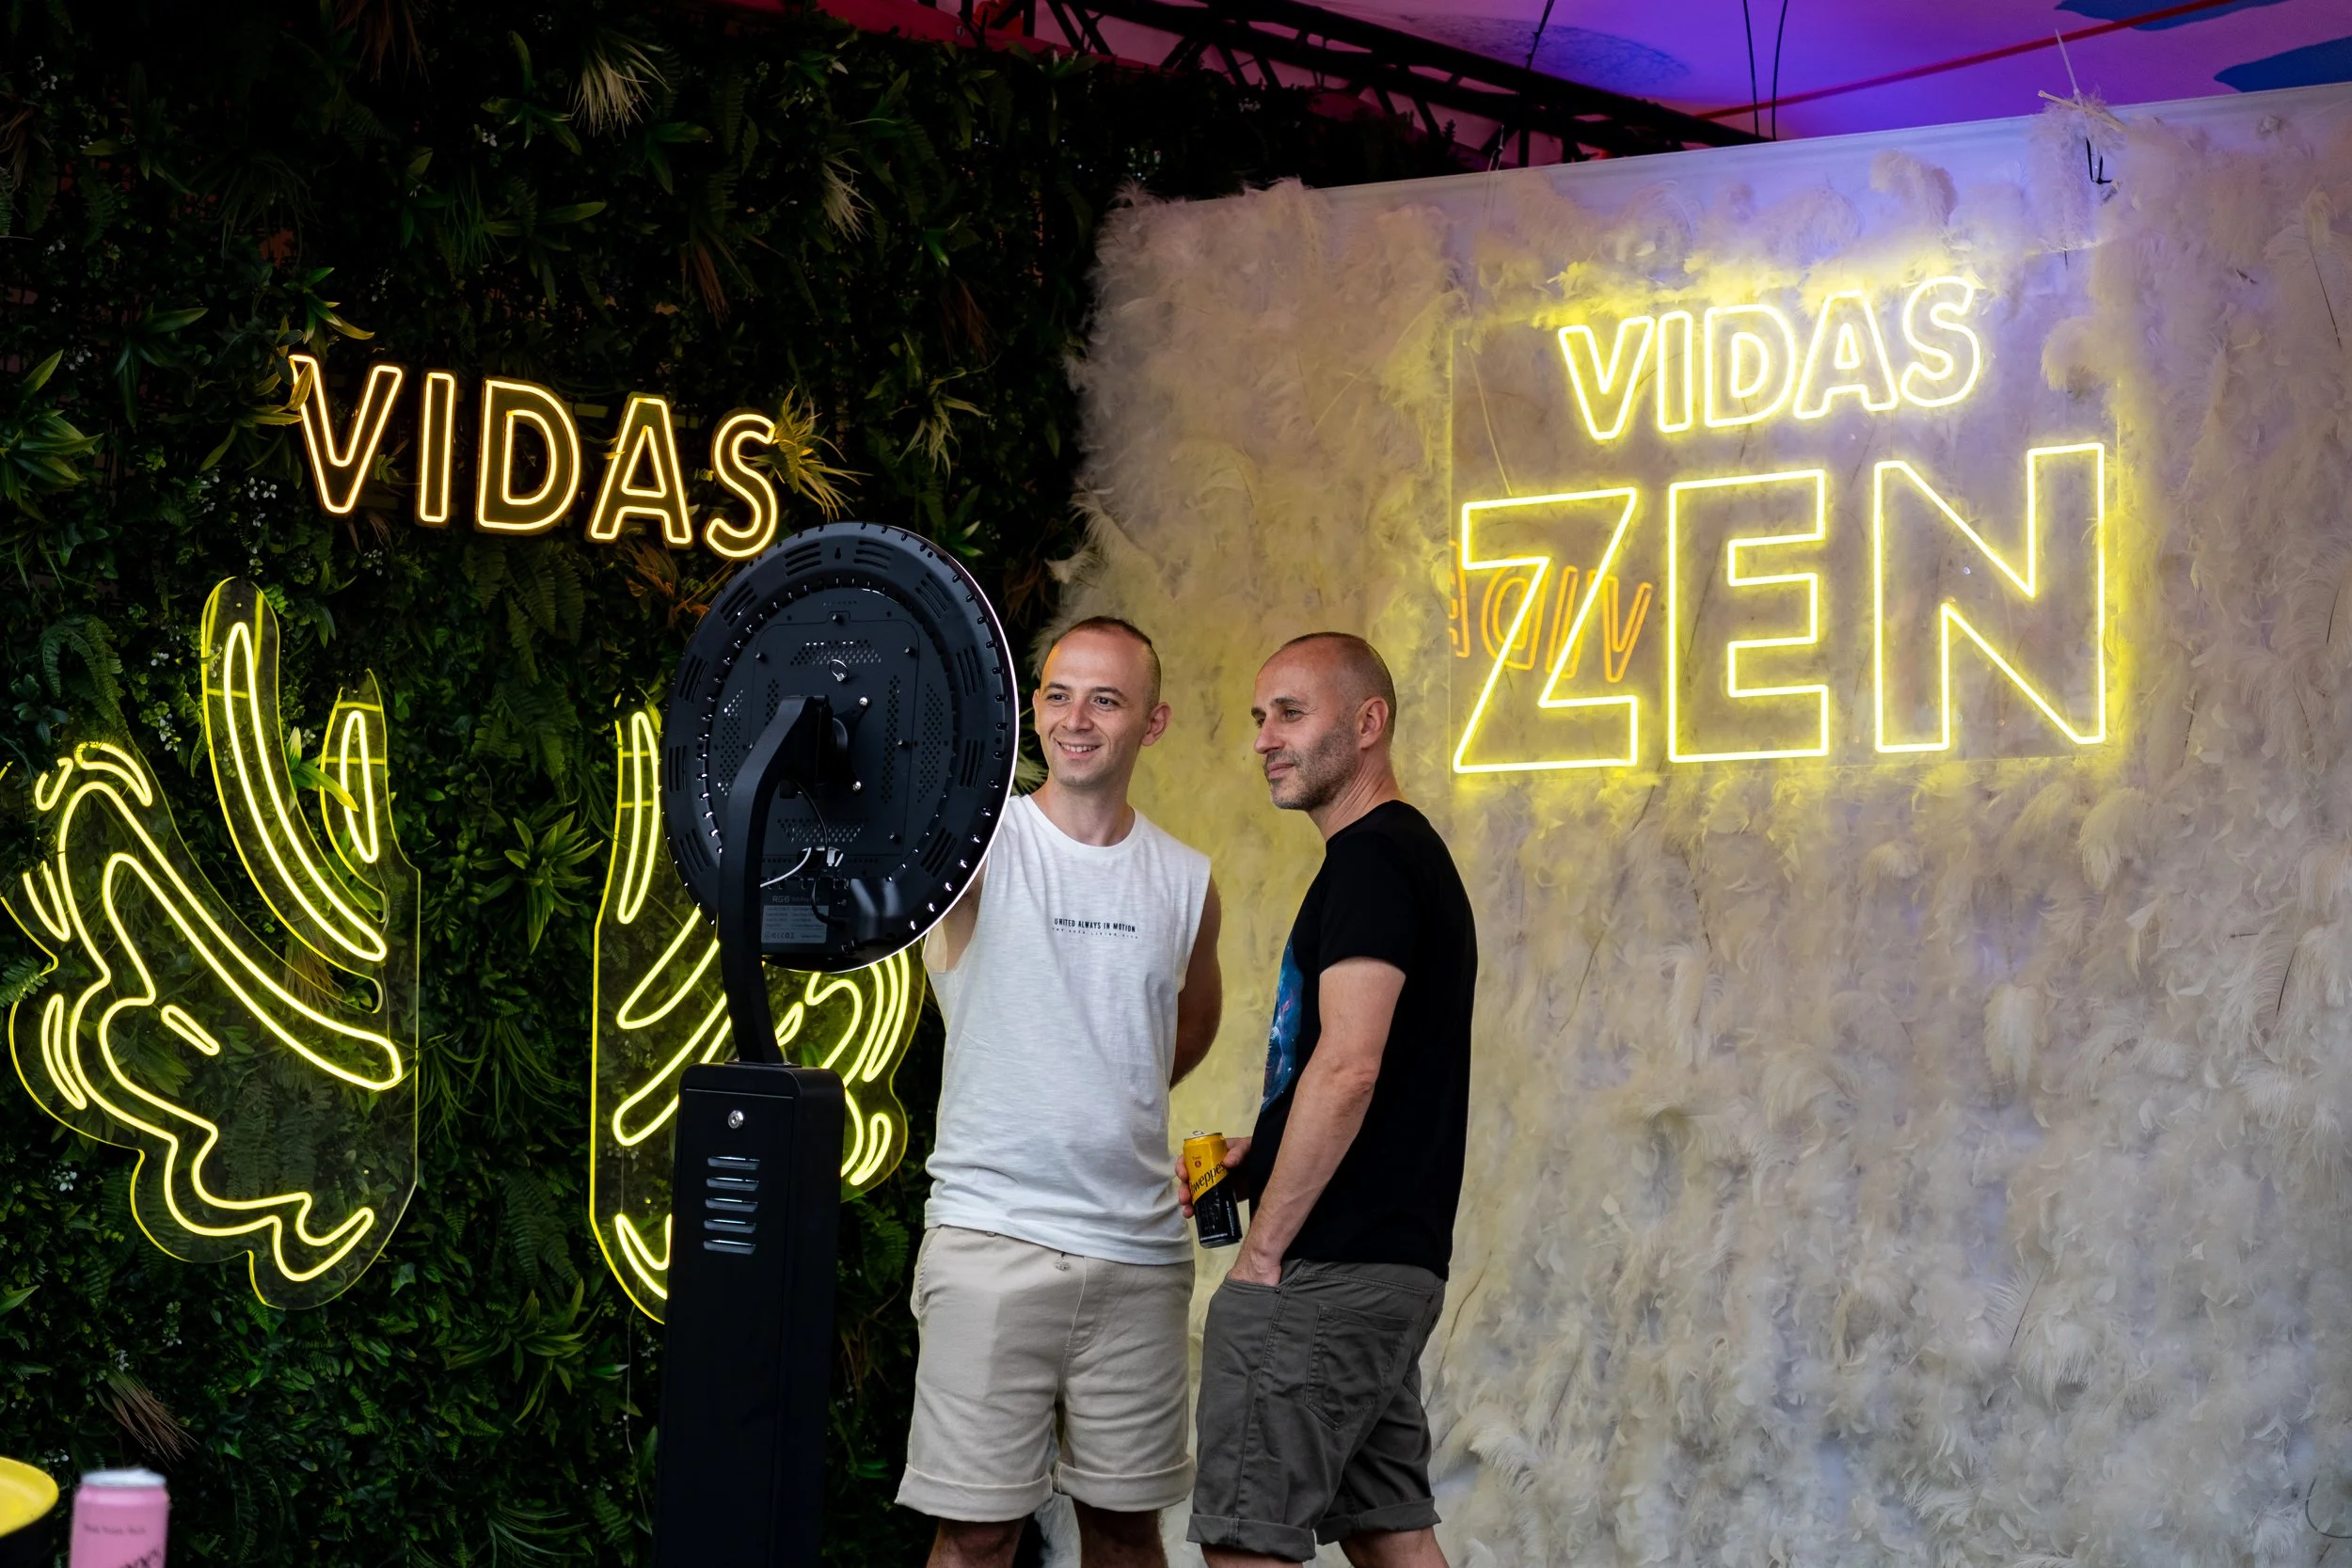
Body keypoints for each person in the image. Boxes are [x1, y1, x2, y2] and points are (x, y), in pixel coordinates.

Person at [900, 616, 1224, 1568]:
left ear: (1152, 722)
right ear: (1033, 708)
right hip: (990, 1239)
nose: (1075, 719)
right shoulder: (972, 844)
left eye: (1105, 699)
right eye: (1057, 694)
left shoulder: (1187, 881)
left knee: (1125, 1531)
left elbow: (1186, 1027)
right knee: (976, 1532)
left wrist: (1101, 1082)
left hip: (1138, 1256)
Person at [1181, 632, 1478, 1568]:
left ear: (1368, 720)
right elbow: (1369, 1067)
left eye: (1291, 713)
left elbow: (1349, 1066)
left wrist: (1263, 1250)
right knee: (1394, 1535)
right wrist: (1265, 1151)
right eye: (1258, 717)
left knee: (1247, 1542)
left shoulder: (1371, 861)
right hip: (1386, 1268)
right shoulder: (1404, 856)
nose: (1265, 738)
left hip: (1327, 1274)